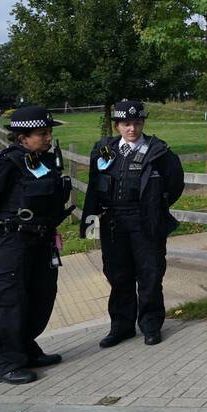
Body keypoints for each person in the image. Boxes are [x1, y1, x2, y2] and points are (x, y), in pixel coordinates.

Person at [0, 106, 72, 384]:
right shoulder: (5, 165)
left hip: (41, 241)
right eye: (42, 133)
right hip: (12, 242)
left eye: (49, 132)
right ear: (22, 137)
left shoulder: (42, 162)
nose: (48, 138)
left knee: (40, 297)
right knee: (9, 304)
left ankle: (26, 348)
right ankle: (5, 363)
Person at [80, 100, 184, 347]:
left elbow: (175, 184)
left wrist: (156, 205)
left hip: (145, 221)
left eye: (137, 123)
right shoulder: (105, 150)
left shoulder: (159, 151)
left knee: (149, 274)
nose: (132, 129)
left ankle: (150, 325)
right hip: (113, 222)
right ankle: (121, 327)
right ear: (117, 126)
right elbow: (94, 185)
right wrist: (90, 218)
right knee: (118, 275)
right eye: (126, 124)